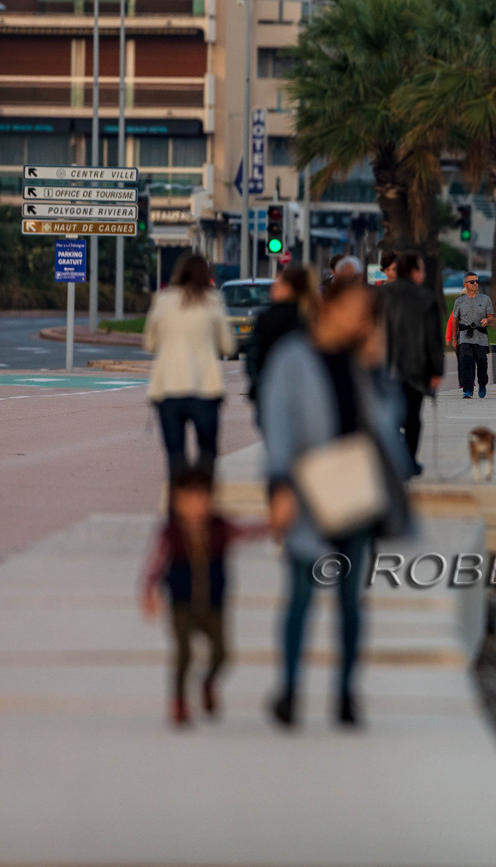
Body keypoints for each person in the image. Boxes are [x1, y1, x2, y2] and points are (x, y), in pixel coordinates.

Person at [260, 277, 414, 729]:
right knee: (300, 595)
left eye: (366, 315)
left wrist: (375, 369)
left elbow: (390, 419)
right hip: (306, 489)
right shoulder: (292, 358)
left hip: (355, 489)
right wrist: (278, 486)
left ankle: (346, 694)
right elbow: (277, 424)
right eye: (355, 310)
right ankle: (289, 691)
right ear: (329, 307)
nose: (360, 321)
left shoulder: (360, 360)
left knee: (350, 599)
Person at [140, 469, 269, 726]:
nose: (195, 506)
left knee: (222, 654)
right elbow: (156, 563)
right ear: (177, 501)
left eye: (201, 499)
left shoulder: (220, 528)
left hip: (214, 604)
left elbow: (245, 532)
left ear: (211, 499)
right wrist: (149, 592)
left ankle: (208, 683)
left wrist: (272, 524)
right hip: (181, 603)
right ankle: (179, 702)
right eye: (188, 500)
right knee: (184, 653)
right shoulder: (171, 533)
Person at [146, 253, 234, 480]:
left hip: (168, 389)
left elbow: (149, 343)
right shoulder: (212, 300)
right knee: (207, 451)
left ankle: (179, 495)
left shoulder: (163, 300)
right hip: (206, 388)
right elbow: (228, 345)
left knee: (175, 454)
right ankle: (204, 493)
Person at [384, 252, 444, 471]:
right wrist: (437, 370)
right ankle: (409, 461)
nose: (424, 274)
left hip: (384, 366)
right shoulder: (426, 297)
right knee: (413, 417)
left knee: (388, 416)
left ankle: (391, 460)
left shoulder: (381, 294)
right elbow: (433, 338)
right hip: (416, 367)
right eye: (422, 269)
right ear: (414, 271)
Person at [248, 264, 316, 410]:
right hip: (309, 392)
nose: (272, 288)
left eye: (277, 284)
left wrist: (258, 382)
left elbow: (253, 357)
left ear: (288, 288)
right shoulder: (313, 317)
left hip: (270, 389)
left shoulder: (268, 318)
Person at [448, 271, 495, 399]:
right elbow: (455, 320)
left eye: (477, 281)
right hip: (465, 335)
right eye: (472, 282)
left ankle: (482, 384)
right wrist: (454, 339)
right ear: (465, 284)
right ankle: (467, 389)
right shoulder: (459, 301)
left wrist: (487, 320)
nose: (475, 284)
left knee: (482, 362)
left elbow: (491, 316)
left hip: (480, 335)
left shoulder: (485, 299)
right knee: (466, 361)